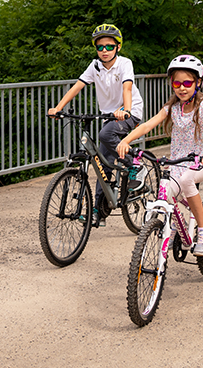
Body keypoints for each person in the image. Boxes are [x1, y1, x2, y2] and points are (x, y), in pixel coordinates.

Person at [117, 55, 203, 257]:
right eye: (177, 83)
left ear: (198, 82)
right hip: (179, 162)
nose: (182, 88)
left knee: (186, 181)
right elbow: (149, 124)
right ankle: (176, 226)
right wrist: (126, 140)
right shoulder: (172, 107)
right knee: (166, 192)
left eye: (187, 83)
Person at [48, 24, 144, 227]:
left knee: (105, 134)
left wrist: (125, 110)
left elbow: (127, 87)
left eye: (109, 46)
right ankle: (98, 211)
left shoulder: (125, 63)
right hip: (109, 115)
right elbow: (77, 86)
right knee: (102, 161)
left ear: (117, 47)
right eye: (100, 47)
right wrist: (58, 108)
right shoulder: (95, 66)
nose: (104, 51)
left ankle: (136, 165)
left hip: (129, 111)